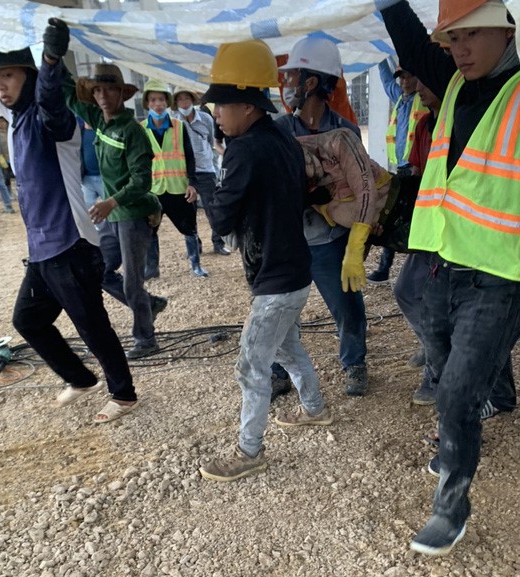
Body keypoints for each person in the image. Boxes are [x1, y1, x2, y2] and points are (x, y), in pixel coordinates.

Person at [377, 0, 520, 555]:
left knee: (454, 390)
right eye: (451, 39)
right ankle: (494, 396)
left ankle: (450, 505)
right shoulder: (454, 83)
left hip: (507, 266)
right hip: (445, 255)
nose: (459, 49)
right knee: (439, 342)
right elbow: (409, 42)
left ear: (511, 31)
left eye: (471, 35)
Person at [0, 27, 138, 423]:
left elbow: (50, 98)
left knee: (92, 326)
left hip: (71, 243)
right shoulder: (14, 122)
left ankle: (125, 394)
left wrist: (49, 61)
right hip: (43, 249)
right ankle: (81, 379)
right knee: (27, 320)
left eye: (8, 75)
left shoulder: (51, 120)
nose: (0, 85)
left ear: (27, 76)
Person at [198, 39, 332, 482]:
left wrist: (203, 188)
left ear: (245, 105)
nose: (216, 116)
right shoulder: (282, 136)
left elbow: (220, 220)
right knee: (288, 347)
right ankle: (314, 409)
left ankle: (248, 451)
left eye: (221, 107)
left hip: (275, 279)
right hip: (295, 269)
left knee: (251, 364)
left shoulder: (242, 149)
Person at [52, 32, 167, 359]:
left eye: (109, 89)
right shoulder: (98, 120)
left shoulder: (133, 131)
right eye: (97, 90)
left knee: (132, 283)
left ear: (121, 93)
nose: (102, 95)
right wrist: (53, 60)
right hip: (113, 214)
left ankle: (146, 340)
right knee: (99, 271)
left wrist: (111, 201)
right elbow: (68, 95)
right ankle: (151, 303)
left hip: (134, 215)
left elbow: (142, 182)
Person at [275, 36, 370, 397]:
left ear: (310, 82)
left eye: (292, 76)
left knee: (347, 305)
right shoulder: (280, 131)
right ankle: (278, 371)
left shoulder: (345, 130)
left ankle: (355, 364)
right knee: (278, 311)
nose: (286, 84)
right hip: (290, 240)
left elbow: (357, 187)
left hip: (330, 240)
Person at [392, 79, 441, 404]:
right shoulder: (425, 123)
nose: (417, 86)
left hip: (458, 228)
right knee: (406, 290)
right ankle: (432, 347)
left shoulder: (463, 120)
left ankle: (439, 374)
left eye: (425, 78)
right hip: (429, 223)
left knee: (441, 305)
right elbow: (417, 168)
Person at [367, 59, 428, 285]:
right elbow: (386, 80)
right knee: (390, 215)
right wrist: (380, 55)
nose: (403, 81)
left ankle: (407, 269)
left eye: (408, 76)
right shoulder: (400, 99)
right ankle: (385, 268)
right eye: (401, 77)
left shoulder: (421, 101)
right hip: (401, 169)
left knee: (402, 218)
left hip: (415, 171)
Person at [140, 79, 208, 279]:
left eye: (161, 99)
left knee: (190, 228)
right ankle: (152, 269)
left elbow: (190, 156)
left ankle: (196, 265)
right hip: (154, 190)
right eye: (153, 100)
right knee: (150, 231)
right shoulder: (141, 128)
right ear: (147, 103)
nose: (158, 104)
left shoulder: (179, 126)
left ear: (167, 102)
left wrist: (193, 184)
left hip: (179, 188)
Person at [172, 86, 231, 256]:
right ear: (176, 103)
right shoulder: (174, 122)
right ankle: (194, 245)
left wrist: (226, 156)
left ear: (192, 100)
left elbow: (215, 141)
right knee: (188, 212)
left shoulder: (206, 118)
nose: (184, 103)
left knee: (212, 208)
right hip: (184, 173)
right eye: (180, 99)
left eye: (187, 98)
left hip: (206, 169)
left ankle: (218, 243)